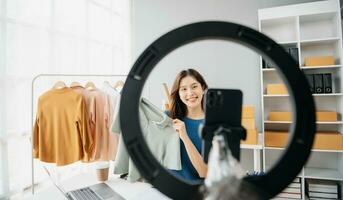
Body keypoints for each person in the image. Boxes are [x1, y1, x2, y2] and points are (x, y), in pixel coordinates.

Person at [168, 68, 208, 181]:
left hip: (194, 191)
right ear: (178, 94)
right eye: (183, 89)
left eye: (194, 86)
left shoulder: (213, 125)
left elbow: (205, 172)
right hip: (166, 188)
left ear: (203, 88)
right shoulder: (168, 118)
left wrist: (184, 137)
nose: (190, 93)